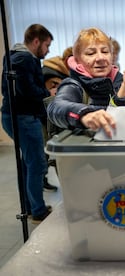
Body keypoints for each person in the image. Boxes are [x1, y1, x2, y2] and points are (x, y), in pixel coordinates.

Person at [1, 24, 54, 223]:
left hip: (12, 115)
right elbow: (27, 90)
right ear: (36, 41)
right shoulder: (24, 59)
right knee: (38, 163)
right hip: (23, 117)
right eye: (46, 45)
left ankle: (31, 207)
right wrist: (47, 93)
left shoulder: (12, 55)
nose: (47, 51)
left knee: (28, 163)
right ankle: (38, 211)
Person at [47, 27, 125, 138]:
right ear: (78, 60)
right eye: (91, 53)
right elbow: (56, 107)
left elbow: (117, 117)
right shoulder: (73, 84)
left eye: (105, 51)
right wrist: (84, 115)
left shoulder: (116, 81)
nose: (100, 58)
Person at [41, 53, 70, 191]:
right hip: (48, 118)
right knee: (48, 154)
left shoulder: (51, 71)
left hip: (48, 117)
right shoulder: (53, 76)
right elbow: (53, 97)